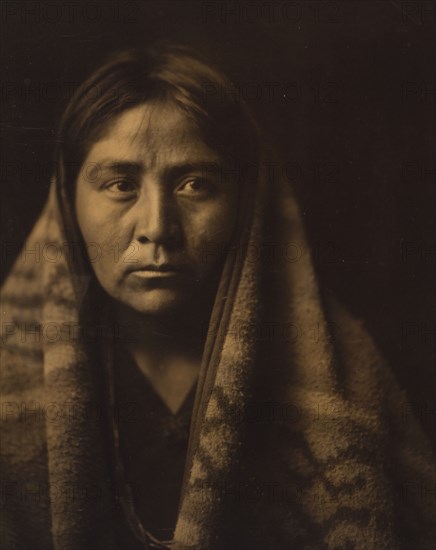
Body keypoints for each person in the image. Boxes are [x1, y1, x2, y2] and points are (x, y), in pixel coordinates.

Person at [1, 44, 434, 550]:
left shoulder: (345, 385)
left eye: (194, 184)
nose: (158, 228)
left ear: (246, 204)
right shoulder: (9, 384)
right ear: (68, 203)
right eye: (120, 184)